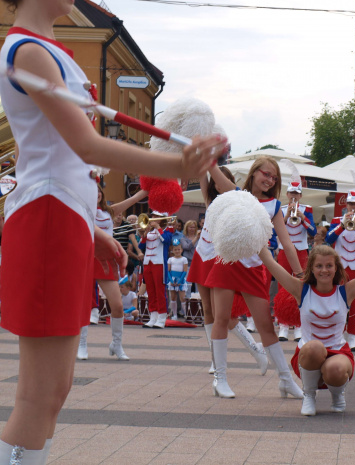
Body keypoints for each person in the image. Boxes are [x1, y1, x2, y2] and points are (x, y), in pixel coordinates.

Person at [0, 0, 224, 460]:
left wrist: (90, 229)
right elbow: (83, 146)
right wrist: (176, 163)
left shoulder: (48, 48)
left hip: (60, 217)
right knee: (38, 394)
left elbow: (54, 156)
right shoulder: (28, 50)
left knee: (55, 390)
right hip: (47, 217)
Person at [205, 156, 304, 399]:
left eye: (274, 177)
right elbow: (215, 175)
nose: (269, 180)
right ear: (254, 172)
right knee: (222, 319)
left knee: (266, 327)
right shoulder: (237, 194)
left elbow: (287, 242)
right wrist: (206, 154)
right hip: (228, 263)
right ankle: (220, 378)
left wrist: (301, 273)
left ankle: (285, 379)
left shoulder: (275, 206)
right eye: (266, 174)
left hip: (254, 270)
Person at [259, 245, 355, 416]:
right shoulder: (301, 290)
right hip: (308, 355)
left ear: (336, 268)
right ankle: (309, 395)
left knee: (336, 369)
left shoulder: (346, 292)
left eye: (329, 266)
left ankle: (337, 395)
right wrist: (258, 244)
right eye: (319, 266)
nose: (324, 270)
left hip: (338, 352)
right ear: (311, 268)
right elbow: (273, 266)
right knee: (314, 347)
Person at [187, 165, 269, 376]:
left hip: (219, 258)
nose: (218, 183)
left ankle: (256, 350)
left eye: (222, 179)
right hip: (202, 255)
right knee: (207, 310)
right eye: (215, 180)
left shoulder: (238, 200)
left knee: (224, 314)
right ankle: (215, 359)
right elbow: (202, 174)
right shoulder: (210, 200)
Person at [80, 185, 147, 362]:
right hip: (86, 257)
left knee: (117, 305)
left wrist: (150, 188)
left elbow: (133, 200)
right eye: (92, 190)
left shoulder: (110, 211)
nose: (97, 193)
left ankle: (116, 344)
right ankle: (82, 343)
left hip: (107, 260)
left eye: (99, 190)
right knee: (83, 304)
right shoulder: (81, 209)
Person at [325, 192, 355, 351]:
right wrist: (342, 225)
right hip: (340, 266)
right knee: (337, 300)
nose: (353, 207)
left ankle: (354, 337)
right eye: (351, 204)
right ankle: (336, 335)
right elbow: (328, 239)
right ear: (346, 205)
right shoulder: (337, 221)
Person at [277, 174, 316, 342]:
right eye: (291, 193)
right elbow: (273, 233)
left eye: (296, 193)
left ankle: (299, 325)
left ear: (300, 195)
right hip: (284, 250)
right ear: (287, 194)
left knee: (302, 286)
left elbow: (313, 232)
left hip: (301, 251)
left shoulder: (307, 209)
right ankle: (283, 325)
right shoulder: (279, 209)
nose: (293, 196)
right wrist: (285, 218)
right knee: (282, 286)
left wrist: (303, 218)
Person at [140, 213, 175, 329]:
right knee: (150, 291)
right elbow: (141, 247)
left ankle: (161, 317)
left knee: (160, 291)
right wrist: (144, 235)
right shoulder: (149, 231)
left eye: (156, 216)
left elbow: (166, 241)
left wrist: (158, 228)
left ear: (161, 219)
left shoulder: (167, 230)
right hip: (147, 262)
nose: (153, 218)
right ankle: (153, 316)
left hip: (159, 263)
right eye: (152, 216)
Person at [167, 240, 188, 320]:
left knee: (182, 298)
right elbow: (168, 271)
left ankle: (186, 314)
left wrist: (180, 281)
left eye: (179, 249)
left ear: (181, 250)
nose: (177, 251)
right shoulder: (170, 259)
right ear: (172, 250)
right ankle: (174, 314)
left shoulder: (184, 259)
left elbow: (185, 271)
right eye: (175, 249)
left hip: (181, 279)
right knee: (173, 297)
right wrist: (171, 281)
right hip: (172, 279)